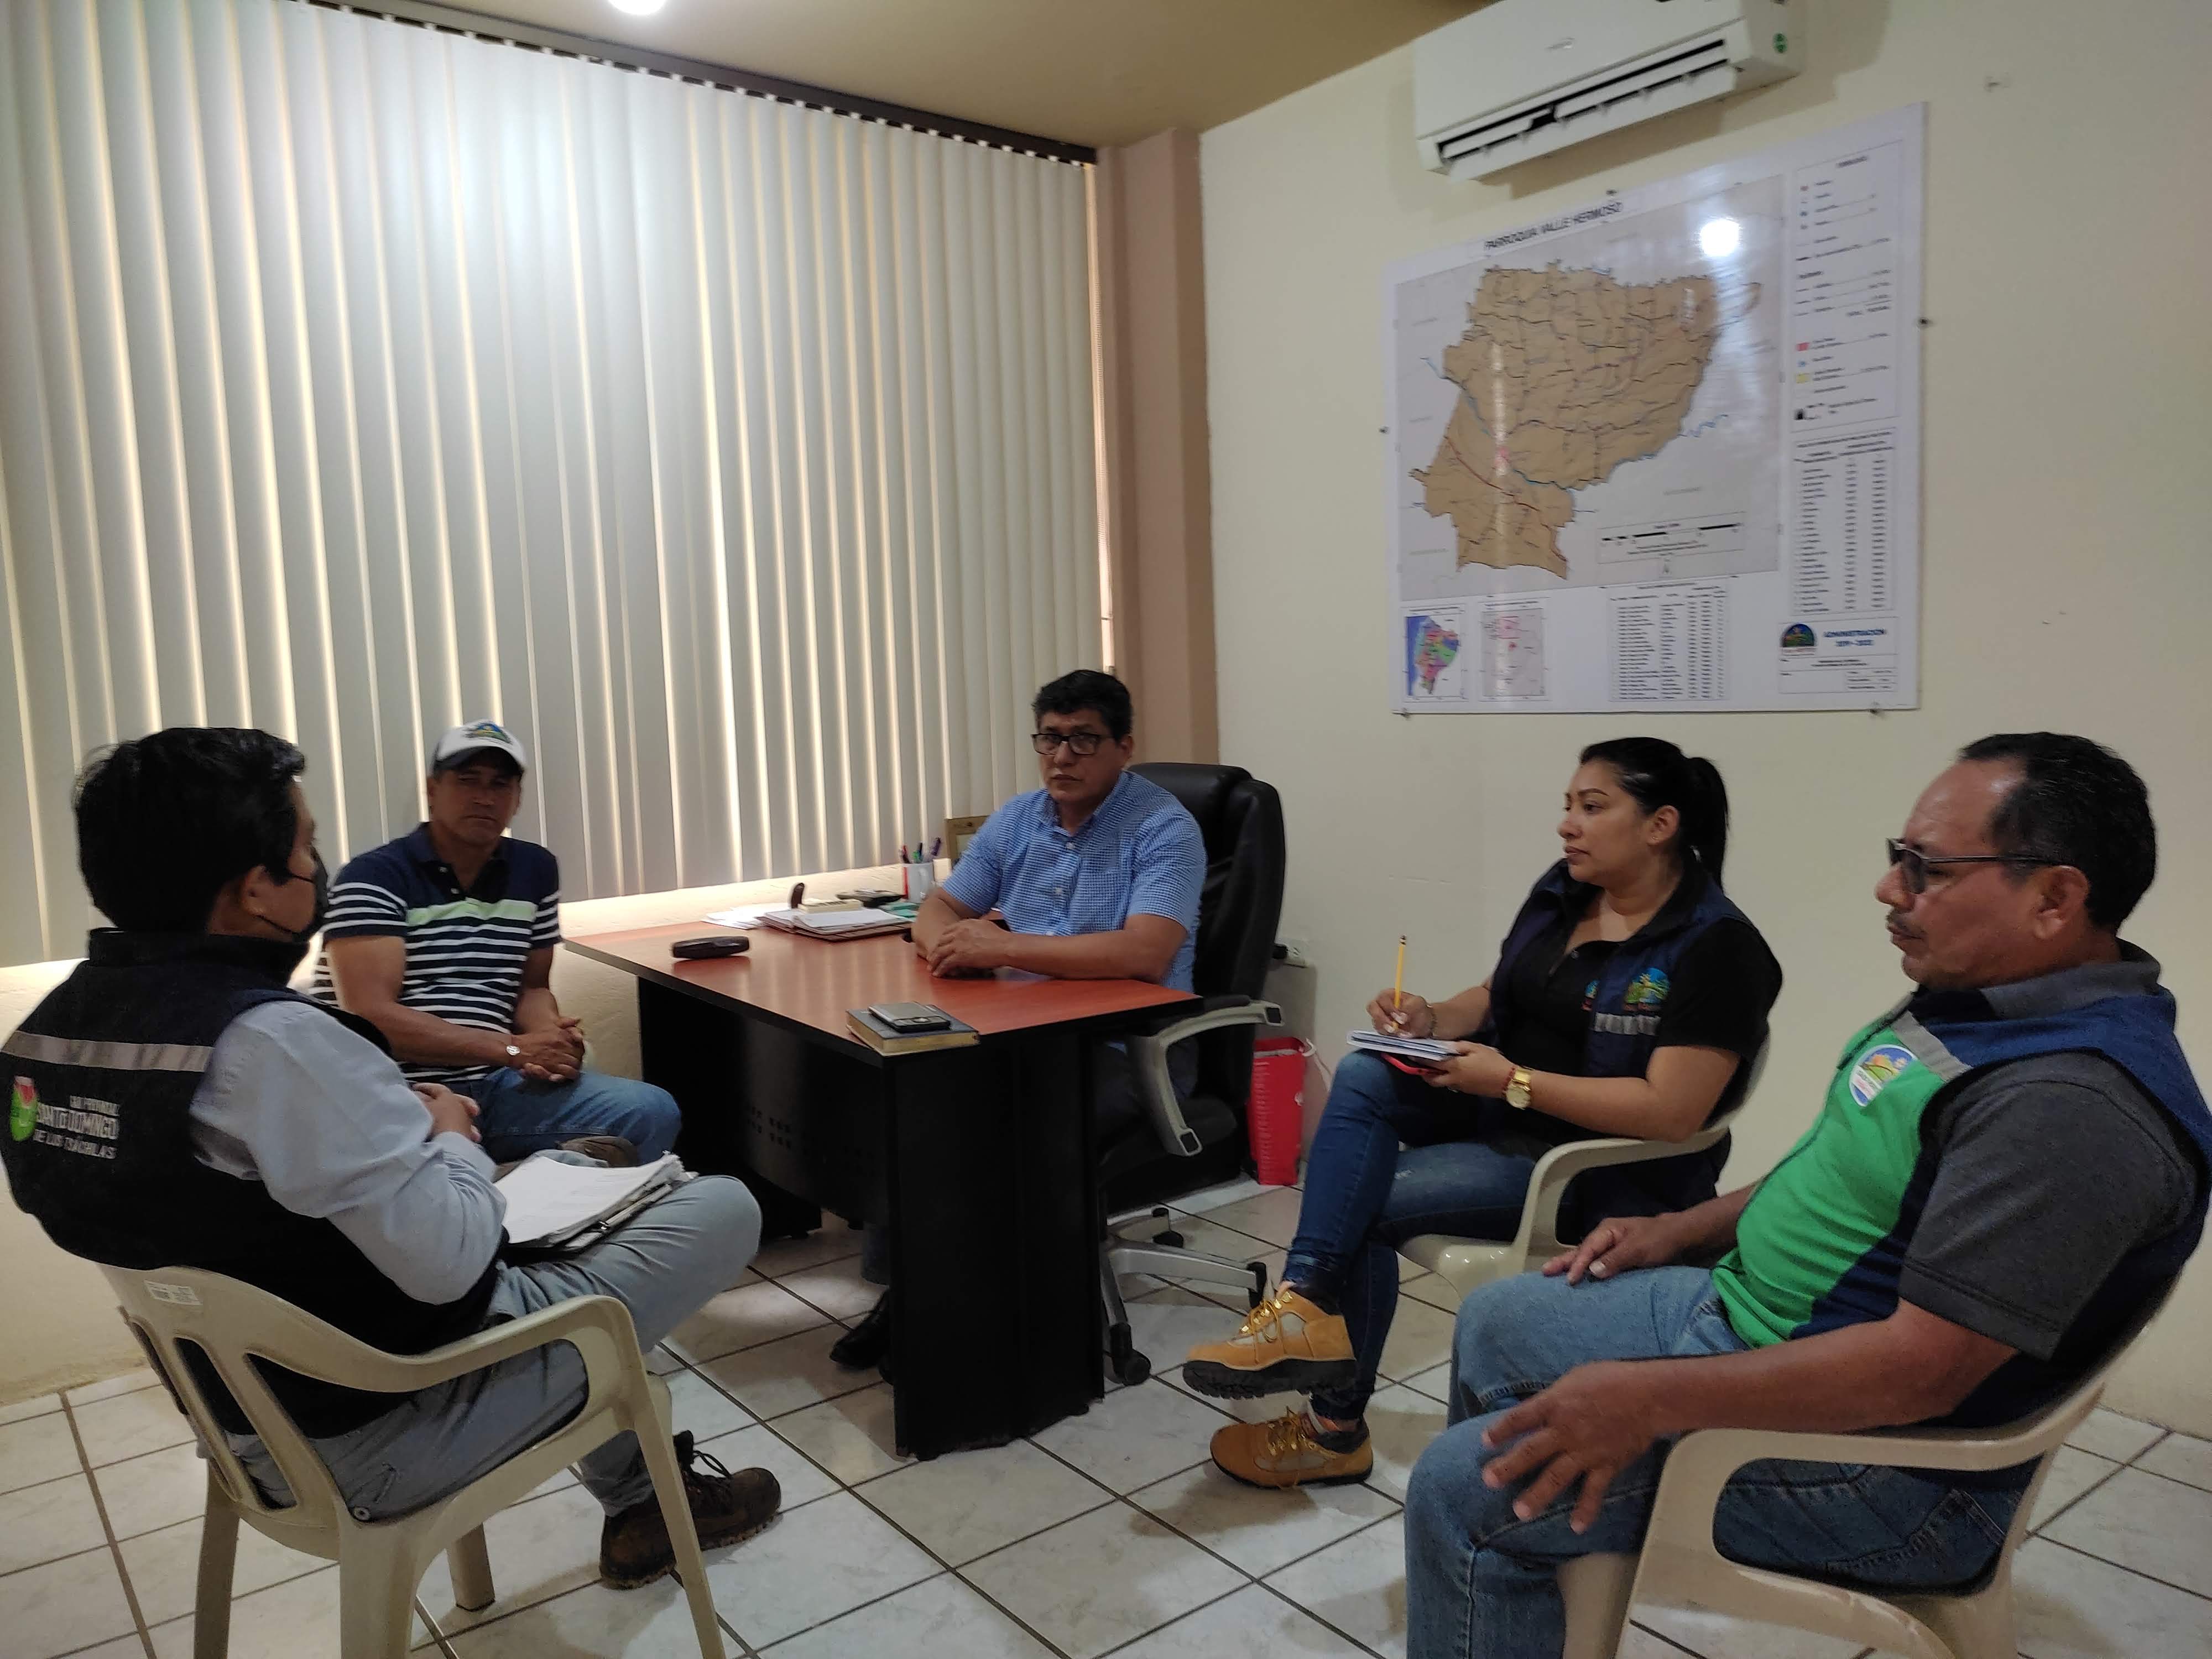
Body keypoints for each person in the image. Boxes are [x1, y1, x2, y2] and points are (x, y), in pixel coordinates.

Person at [1402, 733, 2209, 1659]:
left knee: (1462, 1490)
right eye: (1898, 857)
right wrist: (1681, 1229)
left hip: (1891, 1470)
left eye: (1928, 869)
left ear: (2055, 899)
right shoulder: (1979, 1000)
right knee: (1499, 1317)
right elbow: (1839, 1167)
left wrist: (1650, 1399)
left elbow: (1921, 1372)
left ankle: (1506, 1551)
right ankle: (1526, 1594)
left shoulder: (2067, 1104)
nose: (1889, 889)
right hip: (1763, 1323)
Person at [0, 728, 781, 1586]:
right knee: (721, 1205)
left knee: (597, 1158)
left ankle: (639, 1488)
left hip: (244, 1415)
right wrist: (449, 1136)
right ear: (256, 888)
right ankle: (644, 1496)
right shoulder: (273, 1041)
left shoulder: (45, 1040)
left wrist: (508, 1068)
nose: (318, 871)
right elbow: (452, 1264)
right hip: (387, 1417)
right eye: (306, 850)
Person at [1181, 738, 1782, 1490]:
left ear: (1660, 826)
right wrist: (1430, 1017)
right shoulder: (1569, 891)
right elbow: (1500, 995)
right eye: (1568, 805)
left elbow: (1670, 1112)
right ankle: (1303, 1303)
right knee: (1365, 1073)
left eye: (1592, 807)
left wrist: (1512, 1082)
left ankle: (1332, 1430)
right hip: (1506, 1114)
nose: (1567, 824)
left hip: (1592, 1171)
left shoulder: (1716, 948)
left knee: (1358, 1203)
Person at [828, 669, 1208, 1371]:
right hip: (1020, 1030)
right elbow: (942, 906)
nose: (1061, 757)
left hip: (1128, 1048)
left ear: (1124, 746)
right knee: (909, 1096)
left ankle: (969, 1312)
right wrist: (946, 945)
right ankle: (913, 1293)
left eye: (1083, 740)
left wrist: (1001, 947)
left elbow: (1146, 953)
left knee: (986, 1119)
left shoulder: (1163, 829)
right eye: (1049, 739)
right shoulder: (1019, 818)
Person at [316, 721, 682, 1167]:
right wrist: (512, 1048)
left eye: (500, 784)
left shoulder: (534, 869)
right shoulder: (373, 876)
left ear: (517, 798)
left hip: (499, 1082)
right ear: (433, 790)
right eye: (467, 781)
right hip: (402, 1089)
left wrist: (550, 1041)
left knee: (650, 1110)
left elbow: (531, 987)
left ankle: (568, 1203)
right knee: (447, 1169)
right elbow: (369, 1017)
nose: (484, 798)